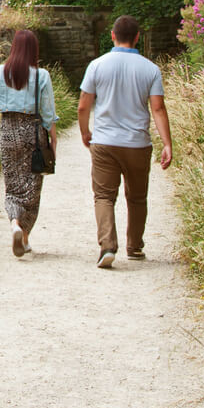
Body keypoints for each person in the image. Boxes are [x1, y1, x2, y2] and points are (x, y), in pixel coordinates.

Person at [77, 15, 172, 269]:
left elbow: (84, 105)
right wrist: (167, 144)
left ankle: (107, 245)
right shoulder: (150, 69)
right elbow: (158, 109)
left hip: (105, 141)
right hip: (137, 143)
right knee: (137, 197)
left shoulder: (97, 66)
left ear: (112, 36)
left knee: (104, 196)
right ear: (138, 37)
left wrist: (86, 132)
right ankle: (135, 246)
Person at [0, 29, 57, 258]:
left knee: (12, 186)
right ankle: (25, 235)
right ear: (34, 50)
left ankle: (14, 225)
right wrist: (53, 142)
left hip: (8, 131)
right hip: (33, 133)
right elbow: (48, 115)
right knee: (32, 188)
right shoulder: (42, 76)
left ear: (13, 48)